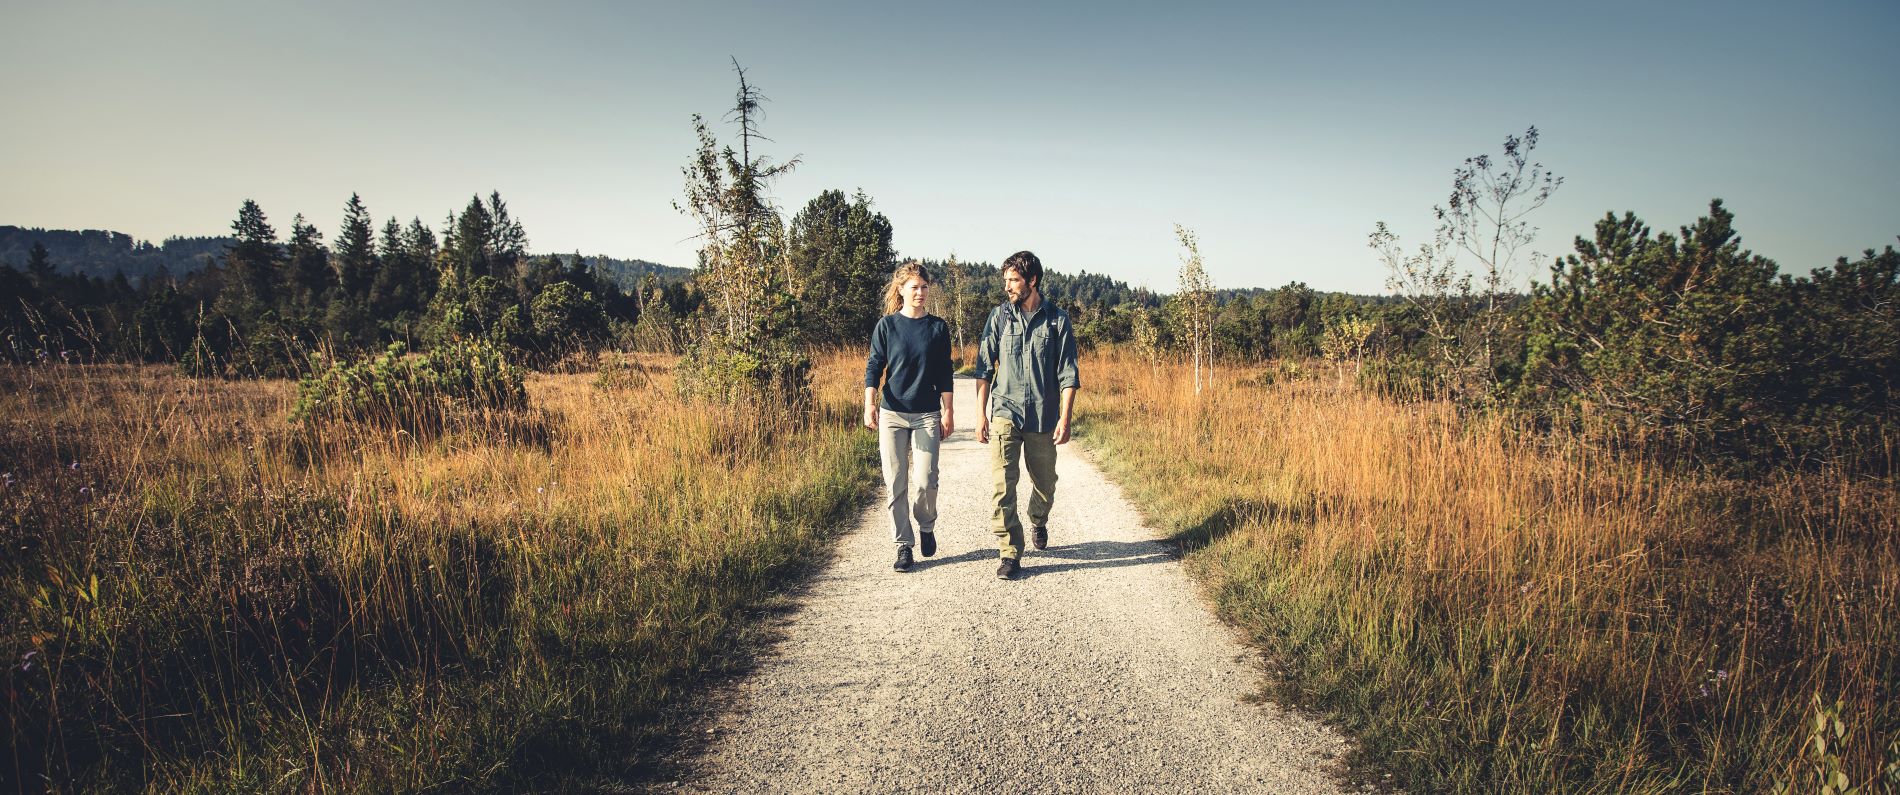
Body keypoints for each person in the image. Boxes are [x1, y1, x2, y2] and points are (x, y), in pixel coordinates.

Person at [972, 251, 1080, 580]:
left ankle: (1038, 518)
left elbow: (1068, 375)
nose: (1007, 286)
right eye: (1005, 280)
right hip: (1005, 411)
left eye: (1014, 280)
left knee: (1045, 484)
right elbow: (982, 368)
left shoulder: (1057, 320)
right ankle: (1009, 553)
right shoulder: (1000, 317)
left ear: (1032, 280)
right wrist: (981, 415)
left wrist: (1065, 418)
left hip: (1043, 417)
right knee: (1002, 486)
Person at [864, 261, 956, 573]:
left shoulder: (937, 327)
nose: (920, 292)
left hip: (927, 412)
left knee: (926, 479)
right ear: (901, 290)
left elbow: (945, 371)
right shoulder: (887, 326)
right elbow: (875, 366)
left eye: (924, 287)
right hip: (892, 413)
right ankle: (903, 545)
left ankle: (926, 526)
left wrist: (949, 411)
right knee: (895, 482)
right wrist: (869, 404)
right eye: (914, 287)